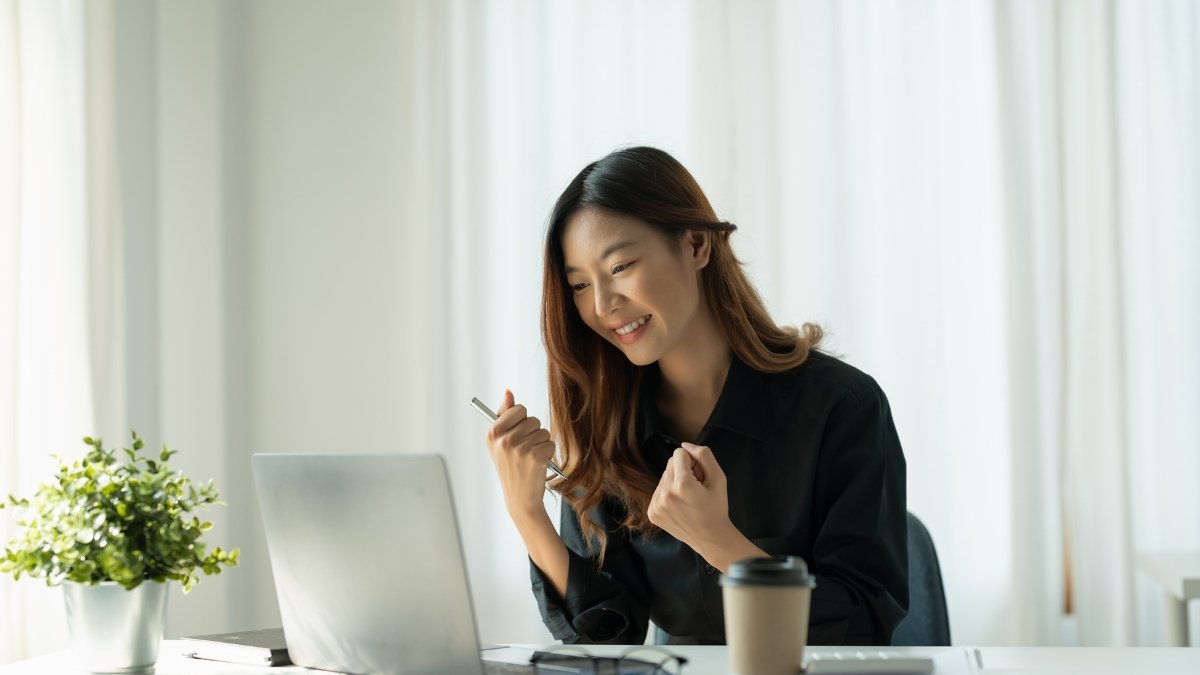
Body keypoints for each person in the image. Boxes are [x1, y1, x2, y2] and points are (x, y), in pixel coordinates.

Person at [483, 146, 907, 646]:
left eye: (620, 267)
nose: (602, 305)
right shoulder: (606, 426)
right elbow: (608, 638)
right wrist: (526, 512)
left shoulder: (842, 406)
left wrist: (719, 542)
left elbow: (863, 623)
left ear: (697, 245)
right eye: (579, 284)